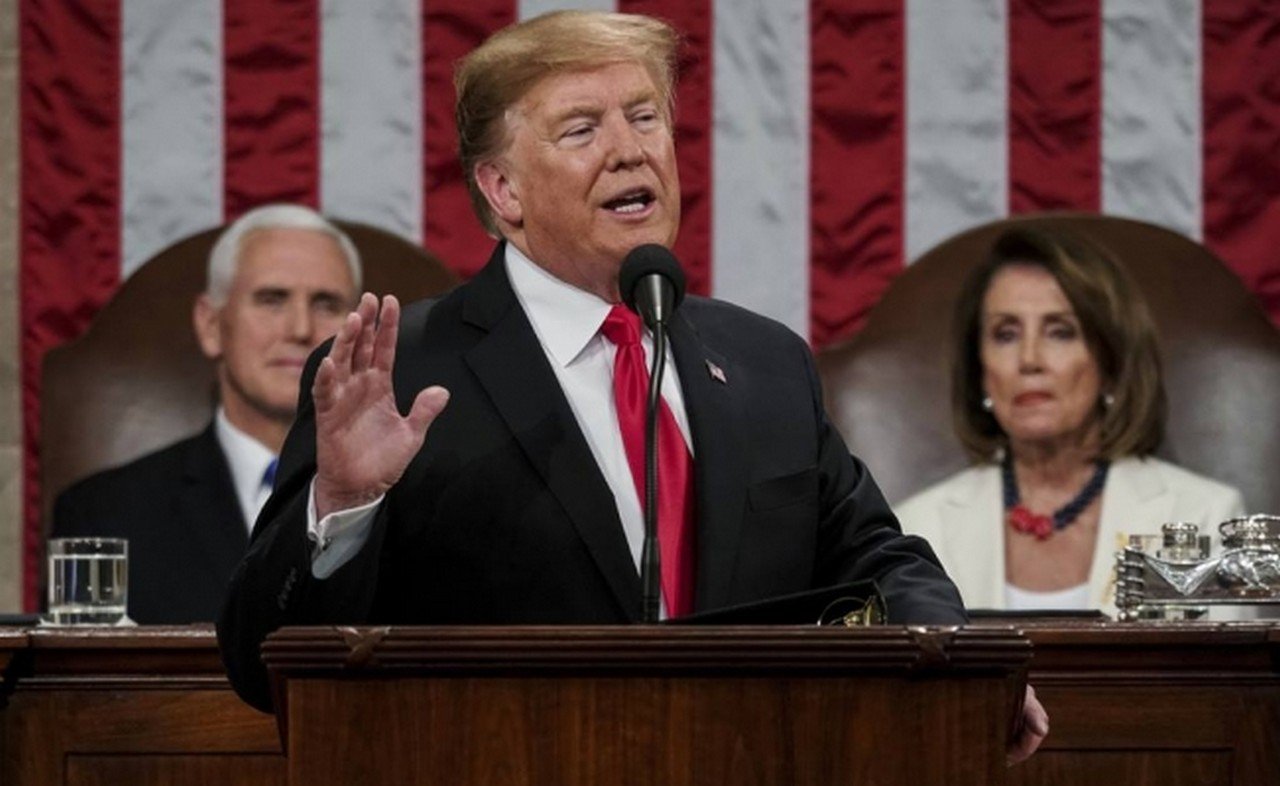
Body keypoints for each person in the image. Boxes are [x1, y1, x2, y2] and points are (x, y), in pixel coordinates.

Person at [216, 11, 1046, 762]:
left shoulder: (765, 363)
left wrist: (965, 667)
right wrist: (343, 507)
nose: (630, 149)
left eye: (645, 117)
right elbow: (261, 666)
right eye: (582, 129)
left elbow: (876, 559)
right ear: (503, 190)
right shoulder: (403, 376)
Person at [896, 227, 1245, 616]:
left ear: (1111, 363)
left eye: (1060, 332)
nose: (1030, 359)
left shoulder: (1203, 517)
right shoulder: (918, 529)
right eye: (1006, 334)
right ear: (980, 370)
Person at [53, 204, 361, 624]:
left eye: (326, 304)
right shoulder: (104, 514)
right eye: (272, 300)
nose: (301, 328)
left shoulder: (417, 507)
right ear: (212, 325)